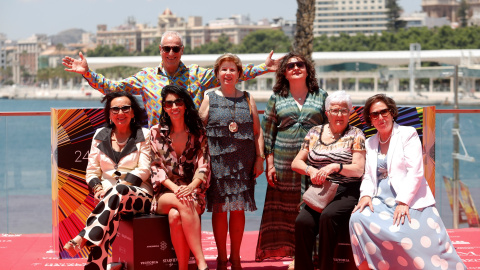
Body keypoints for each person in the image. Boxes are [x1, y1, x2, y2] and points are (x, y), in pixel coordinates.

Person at [62, 31, 282, 127]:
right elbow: (113, 88)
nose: (171, 52)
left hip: (191, 144)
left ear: (182, 50)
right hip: (157, 145)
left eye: (175, 48)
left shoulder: (197, 75)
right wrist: (87, 73)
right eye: (167, 48)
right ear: (160, 50)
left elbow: (230, 74)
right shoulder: (145, 77)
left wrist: (265, 68)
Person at [349, 94, 467, 270]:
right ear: (370, 119)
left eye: (384, 112)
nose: (380, 117)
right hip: (379, 199)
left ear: (392, 113)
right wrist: (365, 195)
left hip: (407, 196)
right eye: (375, 114)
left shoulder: (407, 133)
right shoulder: (370, 142)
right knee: (356, 218)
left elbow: (416, 172)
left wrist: (403, 201)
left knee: (402, 233)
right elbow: (367, 176)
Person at [63, 92, 153, 270]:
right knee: (110, 219)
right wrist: (97, 189)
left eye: (126, 108)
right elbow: (91, 171)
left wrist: (118, 188)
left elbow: (144, 170)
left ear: (133, 112)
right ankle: (94, 266)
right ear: (109, 114)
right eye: (115, 109)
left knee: (118, 192)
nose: (121, 112)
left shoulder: (143, 134)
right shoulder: (100, 134)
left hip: (138, 196)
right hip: (109, 200)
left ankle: (83, 236)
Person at [255, 52, 328, 264]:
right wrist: (269, 165)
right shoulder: (277, 98)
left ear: (308, 70)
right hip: (283, 163)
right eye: (290, 66)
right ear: (284, 73)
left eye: (300, 64)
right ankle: (296, 256)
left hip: (313, 163)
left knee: (312, 206)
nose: (295, 68)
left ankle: (310, 255)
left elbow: (331, 128)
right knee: (286, 212)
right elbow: (267, 133)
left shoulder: (321, 96)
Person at [198, 53, 264, 270]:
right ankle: (221, 257)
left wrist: (259, 159)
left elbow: (257, 131)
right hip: (218, 163)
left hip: (243, 161)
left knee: (238, 209)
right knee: (219, 210)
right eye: (223, 69)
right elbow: (199, 131)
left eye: (232, 69)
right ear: (217, 74)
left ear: (239, 74)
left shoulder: (247, 97)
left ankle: (235, 258)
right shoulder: (209, 97)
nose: (228, 73)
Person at [291, 90, 366, 270]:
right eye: (334, 110)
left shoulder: (356, 135)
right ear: (327, 113)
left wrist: (335, 167)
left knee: (327, 217)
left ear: (349, 112)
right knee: (303, 222)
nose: (339, 115)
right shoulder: (314, 132)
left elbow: (358, 169)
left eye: (343, 110)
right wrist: (311, 170)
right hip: (320, 191)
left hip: (346, 190)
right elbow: (296, 162)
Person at [150, 85, 210, 270]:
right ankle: (201, 263)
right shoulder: (156, 132)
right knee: (183, 201)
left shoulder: (198, 133)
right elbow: (156, 168)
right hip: (165, 194)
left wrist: (191, 187)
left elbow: (204, 166)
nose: (174, 106)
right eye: (169, 103)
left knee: (176, 216)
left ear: (185, 105)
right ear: (164, 108)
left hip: (193, 192)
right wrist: (177, 189)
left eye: (178, 102)